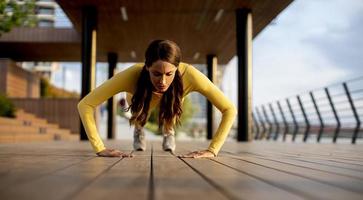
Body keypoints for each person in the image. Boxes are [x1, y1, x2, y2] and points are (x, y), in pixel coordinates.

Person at [77, 39, 237, 158]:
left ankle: (168, 131)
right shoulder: (131, 75)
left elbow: (229, 109)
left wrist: (212, 150)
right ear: (147, 67)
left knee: (173, 99)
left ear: (177, 68)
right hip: (139, 99)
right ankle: (139, 129)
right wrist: (100, 148)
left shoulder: (190, 75)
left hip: (173, 100)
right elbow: (85, 105)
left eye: (169, 74)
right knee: (139, 112)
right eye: (156, 74)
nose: (162, 82)